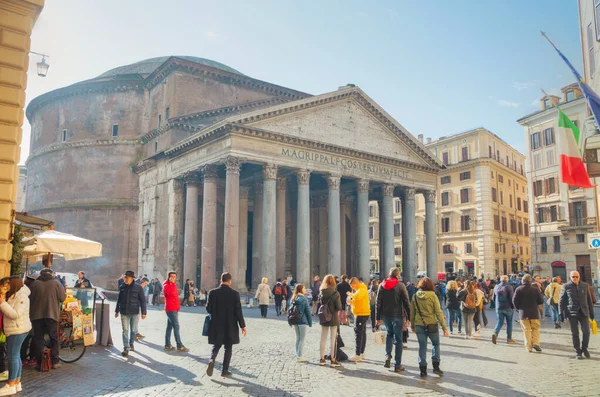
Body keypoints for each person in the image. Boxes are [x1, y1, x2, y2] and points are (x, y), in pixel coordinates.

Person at [206, 272, 246, 377]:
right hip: (230, 325)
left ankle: (212, 359)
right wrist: (242, 326)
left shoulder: (212, 293)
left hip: (216, 323)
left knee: (216, 345)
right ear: (230, 281)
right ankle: (224, 371)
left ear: (221, 280)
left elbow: (208, 309)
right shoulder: (234, 294)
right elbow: (238, 312)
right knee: (228, 348)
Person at [410, 277, 449, 377]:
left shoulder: (415, 296)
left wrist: (412, 325)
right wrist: (444, 327)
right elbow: (438, 312)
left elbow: (412, 312)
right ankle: (436, 366)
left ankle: (423, 369)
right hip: (432, 324)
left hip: (419, 324)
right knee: (435, 344)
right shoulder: (433, 296)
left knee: (422, 347)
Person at [0, 277, 32, 395]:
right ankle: (17, 382)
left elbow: (15, 314)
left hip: (17, 330)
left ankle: (11, 384)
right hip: (17, 329)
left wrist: (2, 303)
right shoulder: (15, 295)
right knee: (16, 356)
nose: (6, 286)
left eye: (8, 284)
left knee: (12, 357)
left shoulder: (21, 297)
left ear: (14, 284)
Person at [29, 268, 65, 370]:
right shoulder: (56, 283)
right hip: (51, 315)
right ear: (51, 274)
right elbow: (63, 298)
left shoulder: (35, 284)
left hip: (36, 315)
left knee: (38, 339)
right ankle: (55, 361)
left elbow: (30, 298)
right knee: (54, 338)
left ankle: (39, 362)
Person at [375, 267, 410, 373]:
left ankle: (387, 356)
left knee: (389, 335)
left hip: (386, 316)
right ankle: (397, 364)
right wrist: (409, 317)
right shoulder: (400, 285)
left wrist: (377, 318)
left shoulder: (381, 285)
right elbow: (406, 302)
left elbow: (378, 302)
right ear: (397, 275)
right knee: (399, 339)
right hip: (397, 315)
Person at [559, 271, 595, 359]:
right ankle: (578, 351)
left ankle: (585, 348)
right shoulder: (566, 286)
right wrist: (561, 313)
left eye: (577, 276)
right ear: (570, 277)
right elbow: (561, 301)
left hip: (584, 312)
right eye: (573, 277)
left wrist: (592, 312)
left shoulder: (585, 286)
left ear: (579, 277)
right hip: (572, 313)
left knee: (586, 332)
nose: (575, 278)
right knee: (575, 333)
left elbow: (589, 300)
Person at [114, 270, 146, 357]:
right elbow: (119, 299)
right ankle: (126, 347)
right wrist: (116, 310)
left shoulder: (138, 287)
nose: (125, 279)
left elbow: (142, 301)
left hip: (134, 312)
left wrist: (144, 312)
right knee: (125, 330)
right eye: (124, 277)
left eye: (126, 277)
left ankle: (131, 343)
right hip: (124, 311)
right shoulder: (122, 286)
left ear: (131, 278)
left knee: (133, 330)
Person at [513, 274, 543, 353]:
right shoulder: (535, 289)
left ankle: (528, 347)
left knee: (526, 330)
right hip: (534, 313)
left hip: (523, 313)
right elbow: (540, 301)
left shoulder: (518, 289)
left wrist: (518, 308)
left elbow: (514, 301)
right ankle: (536, 343)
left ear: (522, 281)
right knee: (535, 328)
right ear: (530, 281)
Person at [318, 274, 342, 367]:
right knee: (333, 339)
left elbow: (320, 303)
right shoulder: (335, 293)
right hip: (333, 317)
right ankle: (333, 359)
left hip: (324, 317)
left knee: (323, 339)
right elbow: (339, 307)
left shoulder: (321, 292)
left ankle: (322, 359)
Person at [163, 272, 189, 352]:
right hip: (171, 308)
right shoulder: (166, 285)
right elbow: (171, 293)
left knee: (169, 327)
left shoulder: (171, 285)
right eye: (172, 277)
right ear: (168, 277)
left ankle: (167, 345)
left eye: (174, 277)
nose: (173, 278)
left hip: (173, 307)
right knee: (176, 327)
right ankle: (179, 345)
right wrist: (173, 284)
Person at [346, 277, 370, 362]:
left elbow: (357, 297)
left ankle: (358, 354)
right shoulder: (361, 289)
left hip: (361, 314)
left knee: (358, 334)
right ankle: (361, 352)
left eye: (352, 286)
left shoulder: (361, 289)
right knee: (362, 333)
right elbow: (356, 299)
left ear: (355, 283)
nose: (352, 288)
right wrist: (351, 300)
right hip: (361, 313)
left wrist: (350, 295)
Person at [290, 284, 312, 362]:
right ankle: (300, 356)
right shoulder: (304, 299)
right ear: (301, 290)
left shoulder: (294, 298)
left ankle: (298, 355)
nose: (305, 289)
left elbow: (290, 311)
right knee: (302, 339)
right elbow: (308, 312)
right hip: (302, 321)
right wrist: (310, 322)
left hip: (295, 320)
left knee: (298, 338)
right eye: (304, 288)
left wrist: (290, 322)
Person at [491, 275, 516, 345]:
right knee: (509, 323)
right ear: (507, 280)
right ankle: (509, 338)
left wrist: (497, 305)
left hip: (499, 307)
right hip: (508, 308)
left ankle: (495, 333)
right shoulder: (509, 287)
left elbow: (493, 298)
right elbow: (512, 299)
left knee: (500, 322)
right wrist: (513, 307)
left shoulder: (496, 286)